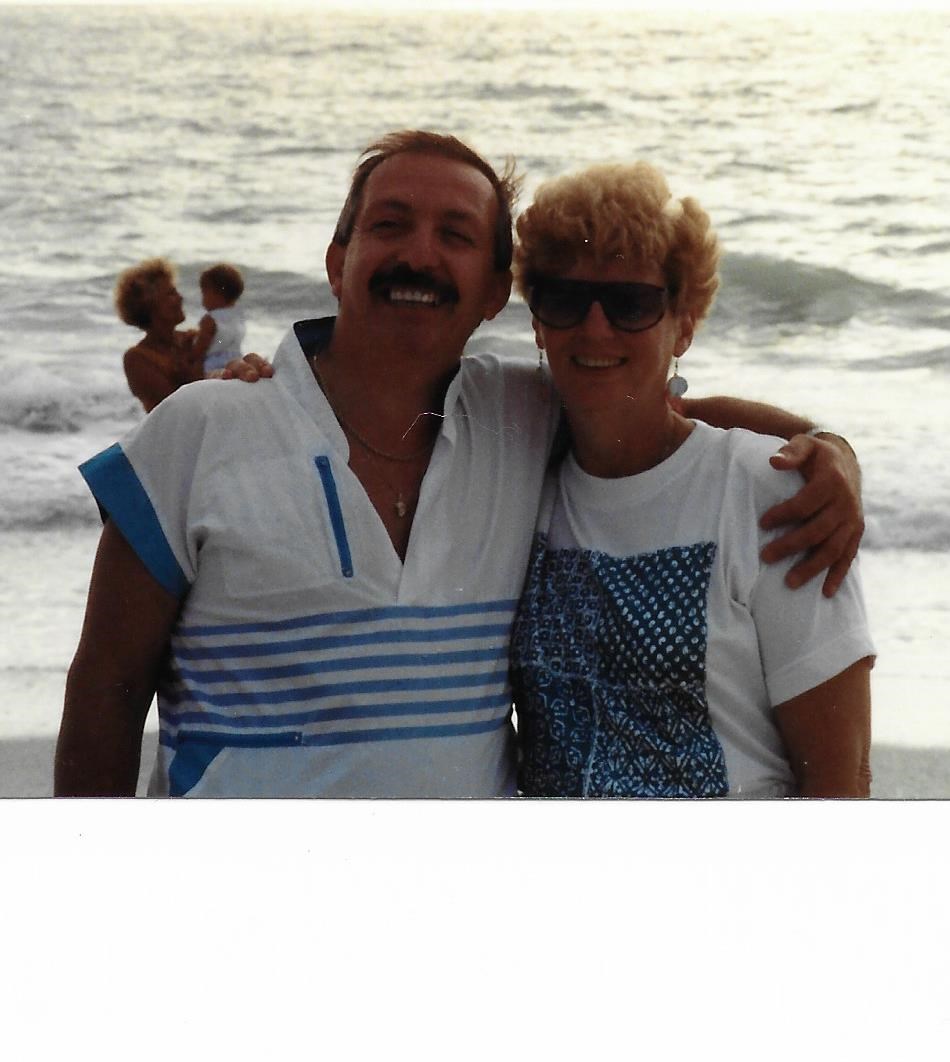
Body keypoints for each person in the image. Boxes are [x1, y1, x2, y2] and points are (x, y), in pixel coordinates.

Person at [56, 131, 864, 799]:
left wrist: (830, 449)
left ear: (491, 291)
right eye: (391, 224)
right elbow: (105, 690)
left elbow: (657, 416)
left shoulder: (517, 418)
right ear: (337, 261)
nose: (420, 253)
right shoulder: (201, 429)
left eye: (456, 235)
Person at [509, 162, 875, 797]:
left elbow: (842, 781)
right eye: (566, 299)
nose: (595, 328)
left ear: (684, 323)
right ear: (537, 320)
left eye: (632, 304)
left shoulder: (773, 495)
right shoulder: (513, 471)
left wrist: (830, 444)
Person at [115, 258, 207, 413]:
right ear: (148, 304)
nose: (180, 298)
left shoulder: (192, 339)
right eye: (171, 294)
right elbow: (173, 408)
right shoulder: (137, 358)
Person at [196, 263, 246, 376]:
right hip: (236, 361)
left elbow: (200, 350)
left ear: (216, 294)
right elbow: (223, 340)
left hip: (212, 366)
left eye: (204, 293)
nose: (203, 298)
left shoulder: (210, 319)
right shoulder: (238, 317)